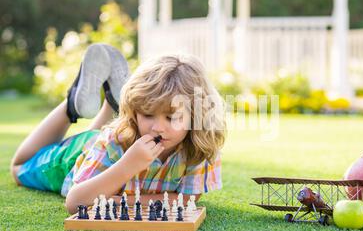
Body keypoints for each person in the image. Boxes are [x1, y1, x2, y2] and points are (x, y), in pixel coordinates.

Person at [10, 44, 226, 214]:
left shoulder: (200, 146)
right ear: (134, 112)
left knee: (103, 137)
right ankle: (72, 105)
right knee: (18, 169)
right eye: (147, 114)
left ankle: (111, 103)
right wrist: (129, 165)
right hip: (75, 158)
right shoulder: (114, 140)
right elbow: (76, 202)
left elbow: (186, 200)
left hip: (102, 149)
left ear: (196, 116)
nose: (158, 127)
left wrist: (113, 202)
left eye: (173, 117)